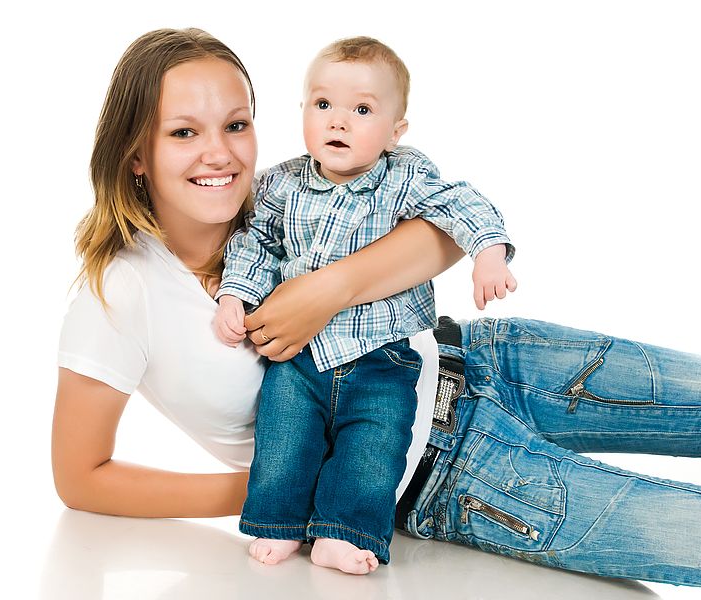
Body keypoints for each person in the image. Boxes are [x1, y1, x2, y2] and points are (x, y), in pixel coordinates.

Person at [53, 28, 701, 596]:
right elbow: (80, 476)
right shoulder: (119, 292)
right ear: (134, 153)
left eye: (236, 124)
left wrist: (324, 290)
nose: (219, 154)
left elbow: (439, 234)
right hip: (447, 474)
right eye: (182, 133)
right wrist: (278, 489)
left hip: (485, 358)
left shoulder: (278, 194)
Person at [211, 36, 515, 574]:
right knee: (284, 440)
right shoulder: (280, 184)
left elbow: (460, 203)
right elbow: (256, 243)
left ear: (396, 132)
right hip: (298, 357)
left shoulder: (404, 177)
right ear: (302, 111)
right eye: (323, 105)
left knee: (373, 447)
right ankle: (277, 524)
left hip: (382, 355)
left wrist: (487, 253)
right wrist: (237, 293)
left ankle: (345, 533)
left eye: (362, 110)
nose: (338, 122)